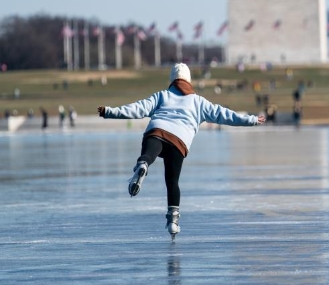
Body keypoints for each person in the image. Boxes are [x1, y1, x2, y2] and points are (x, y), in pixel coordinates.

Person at [97, 63, 265, 240]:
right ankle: (173, 222)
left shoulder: (163, 96)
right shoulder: (199, 102)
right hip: (179, 142)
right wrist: (252, 120)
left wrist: (109, 112)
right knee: (172, 181)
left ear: (172, 80)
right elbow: (224, 114)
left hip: (157, 131)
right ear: (189, 80)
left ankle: (143, 163)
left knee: (150, 149)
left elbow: (137, 109)